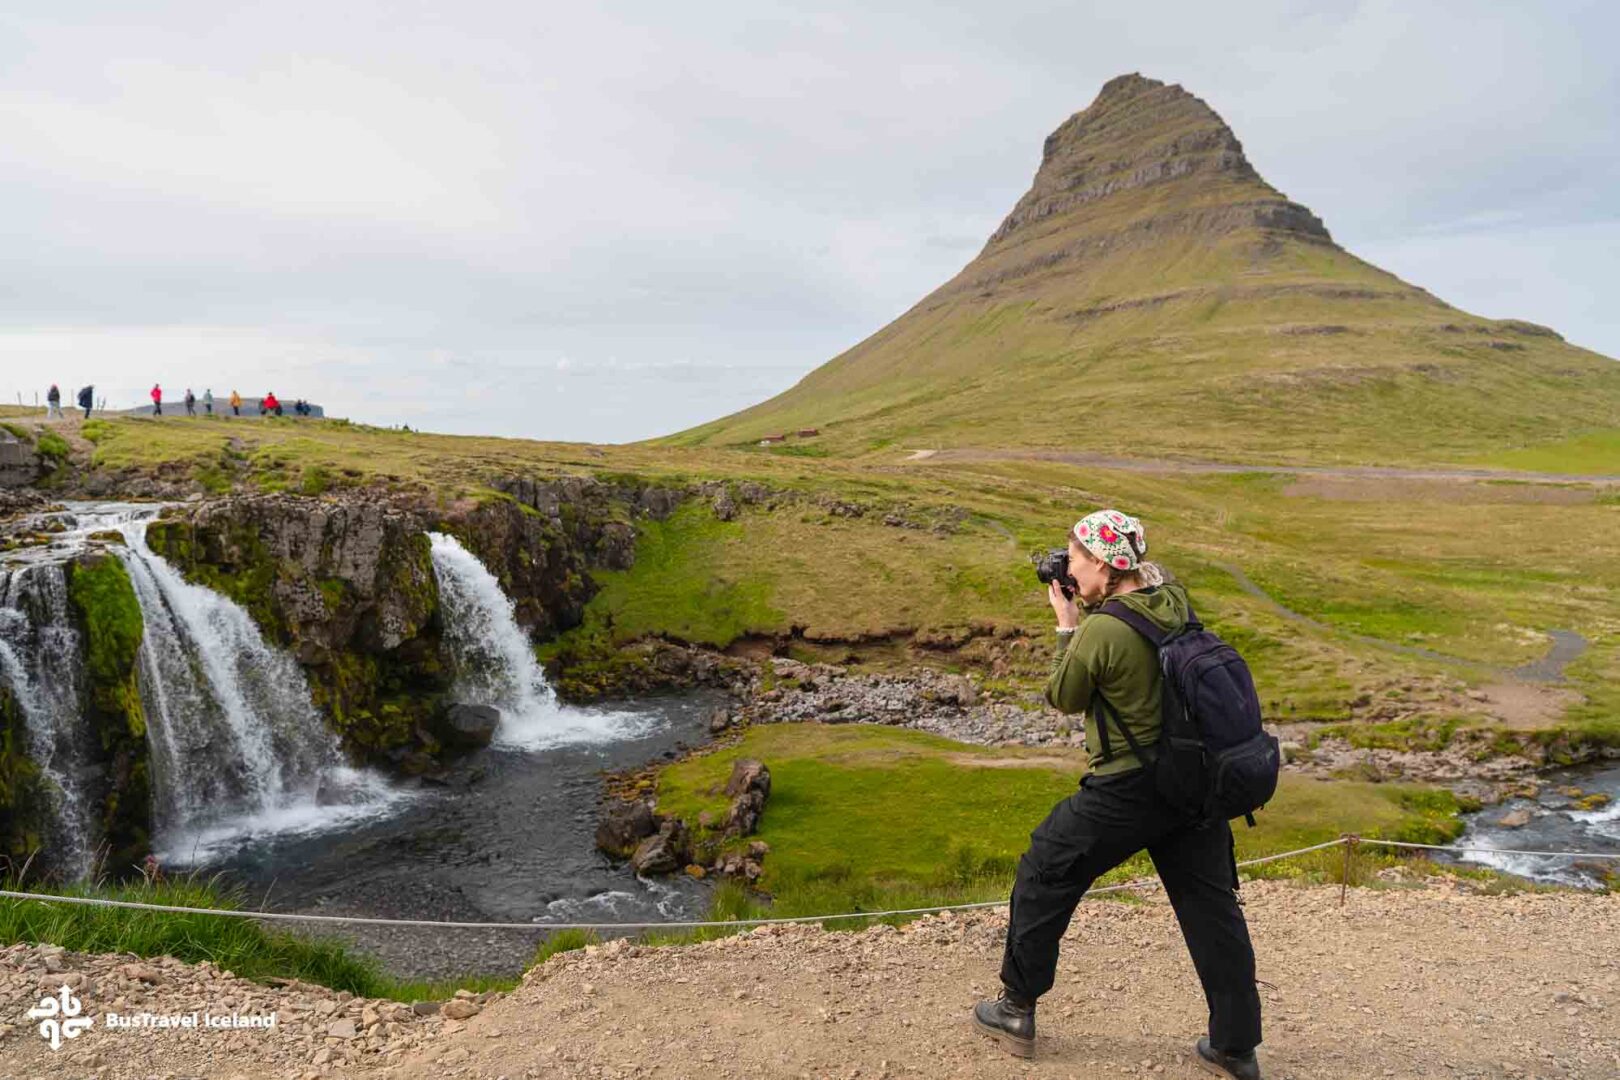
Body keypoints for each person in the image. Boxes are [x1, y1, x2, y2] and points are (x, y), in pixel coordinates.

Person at [973, 509, 1263, 1078]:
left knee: (1045, 867)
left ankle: (1015, 1008)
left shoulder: (1103, 627)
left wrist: (1066, 625)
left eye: (1077, 557)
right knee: (1211, 911)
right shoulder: (1176, 602)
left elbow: (1064, 695)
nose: (1070, 566)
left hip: (1131, 786)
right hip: (1195, 784)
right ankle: (1235, 1047)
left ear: (1105, 564)